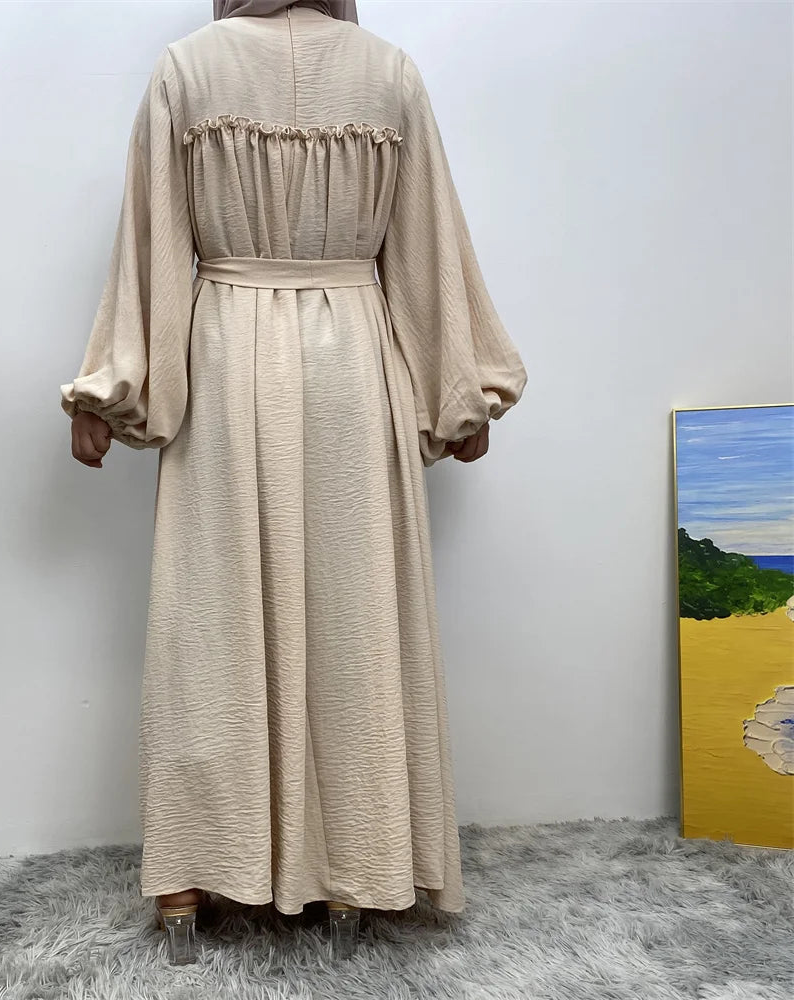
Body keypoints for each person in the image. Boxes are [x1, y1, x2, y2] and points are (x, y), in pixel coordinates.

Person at [60, 0, 528, 964]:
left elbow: (149, 247)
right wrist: (463, 390)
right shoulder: (388, 72)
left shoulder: (186, 69)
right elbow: (429, 246)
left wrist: (109, 388)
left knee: (212, 621)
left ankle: (193, 874)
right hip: (355, 359)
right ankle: (360, 866)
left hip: (226, 356)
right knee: (358, 620)